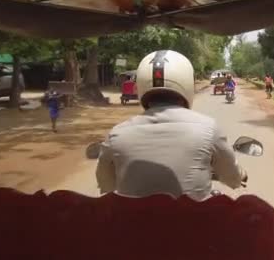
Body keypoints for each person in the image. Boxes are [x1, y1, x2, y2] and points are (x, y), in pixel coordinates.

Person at [96, 50, 247, 201]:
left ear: (140, 86)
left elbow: (106, 184)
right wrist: (241, 174)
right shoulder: (208, 128)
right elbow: (232, 178)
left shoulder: (117, 134)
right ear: (188, 83)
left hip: (133, 223)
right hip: (194, 223)